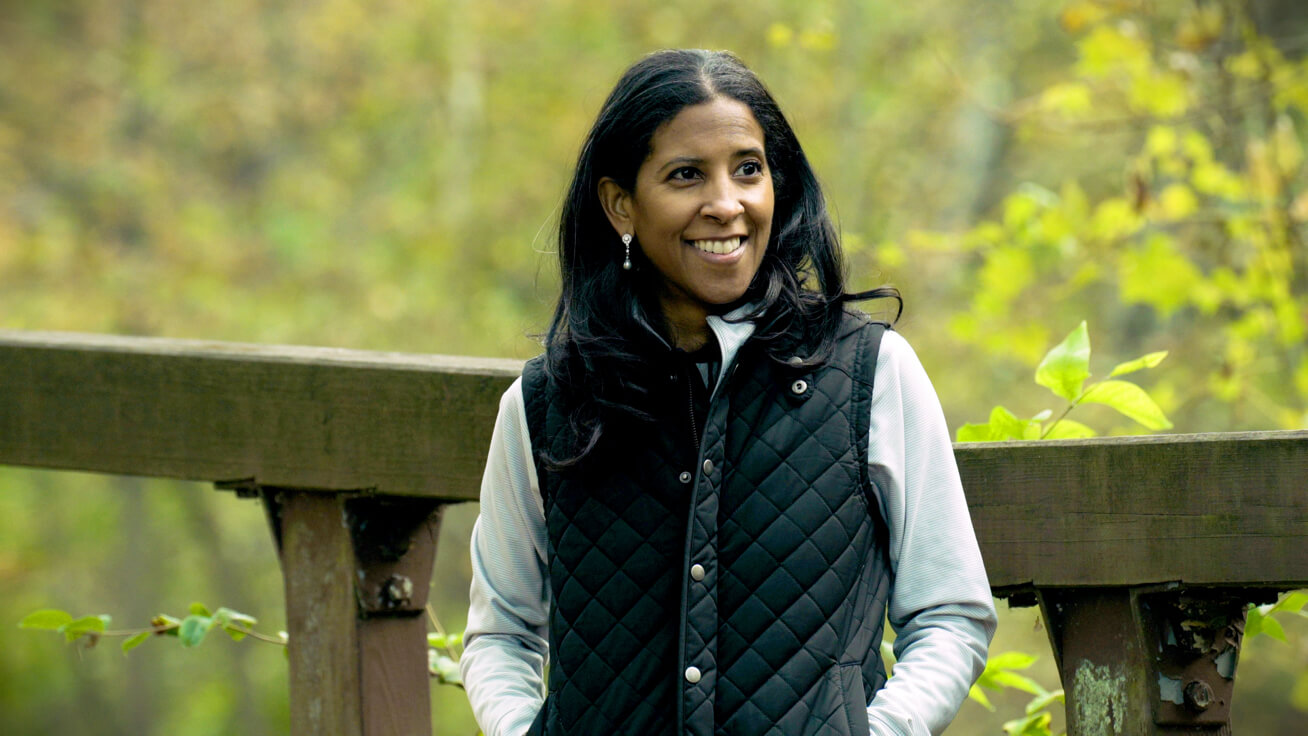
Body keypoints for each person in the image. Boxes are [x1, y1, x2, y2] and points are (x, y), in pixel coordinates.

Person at [461, 49, 996, 736]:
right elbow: (501, 634)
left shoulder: (873, 375)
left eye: (748, 169)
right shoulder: (547, 404)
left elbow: (951, 613)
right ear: (620, 204)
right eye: (686, 175)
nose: (726, 204)